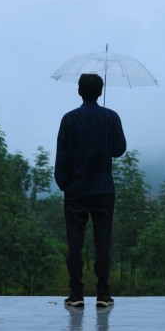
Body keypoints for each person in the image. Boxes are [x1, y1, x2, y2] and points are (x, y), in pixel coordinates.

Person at [55, 73, 126, 308]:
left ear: (79, 91)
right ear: (100, 92)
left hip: (76, 191)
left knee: (74, 243)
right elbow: (118, 150)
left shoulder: (69, 119)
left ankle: (76, 294)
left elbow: (61, 158)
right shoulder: (111, 117)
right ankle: (103, 295)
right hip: (104, 191)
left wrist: (65, 185)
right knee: (102, 243)